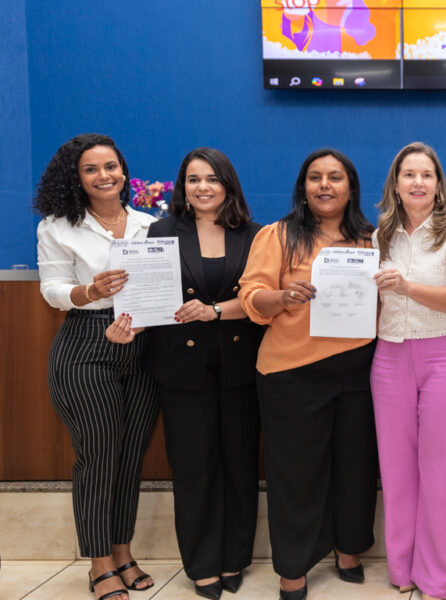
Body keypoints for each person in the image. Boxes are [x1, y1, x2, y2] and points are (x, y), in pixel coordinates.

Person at [105, 148, 263, 599]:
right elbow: (148, 300)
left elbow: (260, 299)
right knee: (193, 468)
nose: (203, 187)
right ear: (183, 186)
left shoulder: (256, 235)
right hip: (181, 369)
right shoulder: (161, 232)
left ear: (228, 185)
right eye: (194, 179)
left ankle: (234, 558)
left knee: (239, 465)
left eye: (212, 178)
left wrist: (215, 311)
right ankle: (202, 563)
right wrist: (130, 323)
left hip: (241, 367)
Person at [238, 149, 378, 600]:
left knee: (355, 467)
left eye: (335, 177)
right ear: (303, 188)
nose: (325, 185)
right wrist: (282, 297)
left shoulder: (372, 239)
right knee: (296, 476)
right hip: (291, 372)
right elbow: (251, 296)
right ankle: (293, 566)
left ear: (351, 188)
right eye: (315, 178)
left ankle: (349, 548)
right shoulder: (277, 235)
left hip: (358, 370)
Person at [34, 134, 159, 600]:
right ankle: (99, 563)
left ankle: (122, 552)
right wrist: (91, 291)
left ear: (123, 171)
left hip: (144, 345)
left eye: (111, 166)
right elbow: (52, 290)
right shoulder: (57, 227)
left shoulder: (152, 224)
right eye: (91, 169)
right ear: (76, 178)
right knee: (99, 456)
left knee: (130, 456)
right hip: (86, 343)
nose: (104, 176)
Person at [370, 142, 446, 600]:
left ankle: (444, 577)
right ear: (395, 185)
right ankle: (403, 568)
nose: (417, 182)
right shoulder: (378, 236)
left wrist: (407, 286)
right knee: (397, 470)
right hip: (389, 357)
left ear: (439, 185)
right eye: (408, 174)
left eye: (426, 175)